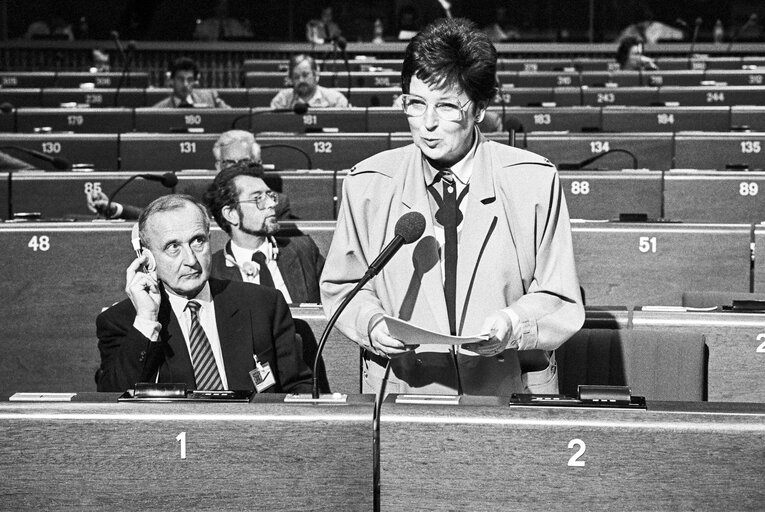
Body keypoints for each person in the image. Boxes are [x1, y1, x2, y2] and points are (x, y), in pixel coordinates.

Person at [320, 18, 584, 396]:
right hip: (402, 389)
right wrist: (372, 324)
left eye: (446, 106)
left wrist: (514, 322)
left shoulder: (534, 183)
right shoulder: (368, 184)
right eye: (416, 104)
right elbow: (344, 286)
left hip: (507, 388)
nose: (427, 124)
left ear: (479, 109)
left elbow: (560, 297)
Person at [96, 194, 312, 393]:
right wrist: (146, 319)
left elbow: (298, 388)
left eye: (198, 241)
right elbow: (113, 401)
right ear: (147, 258)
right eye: (173, 247)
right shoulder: (123, 321)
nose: (191, 260)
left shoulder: (263, 304)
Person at [87, 130, 293, 220]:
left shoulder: (276, 204)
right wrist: (115, 209)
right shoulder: (196, 195)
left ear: (257, 164)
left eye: (243, 163)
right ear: (217, 166)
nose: (235, 170)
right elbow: (161, 220)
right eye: (229, 163)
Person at [203, 162, 325, 304]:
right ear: (231, 214)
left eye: (270, 195)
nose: (272, 204)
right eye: (258, 198)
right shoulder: (212, 273)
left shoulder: (303, 250)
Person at [269, 54, 349, 110]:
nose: (301, 80)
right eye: (296, 77)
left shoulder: (336, 100)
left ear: (315, 74)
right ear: (291, 79)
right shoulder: (282, 100)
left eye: (305, 75)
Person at [151, 57, 230, 108]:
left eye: (190, 80)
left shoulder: (210, 99)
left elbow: (232, 118)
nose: (185, 84)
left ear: (195, 81)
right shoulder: (158, 110)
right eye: (181, 79)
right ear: (171, 80)